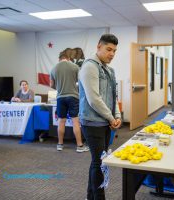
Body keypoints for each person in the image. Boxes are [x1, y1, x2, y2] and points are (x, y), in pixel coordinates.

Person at [79, 34, 122, 200]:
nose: (112, 54)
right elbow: (93, 98)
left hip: (104, 122)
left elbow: (113, 96)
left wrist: (116, 116)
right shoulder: (90, 66)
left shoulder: (109, 70)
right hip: (92, 122)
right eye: (108, 49)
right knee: (100, 162)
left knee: (98, 161)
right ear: (99, 47)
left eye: (114, 51)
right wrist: (111, 118)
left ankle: (90, 197)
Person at [50, 50, 88, 153]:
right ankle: (79, 146)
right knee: (75, 121)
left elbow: (51, 85)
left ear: (59, 59)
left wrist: (59, 87)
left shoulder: (53, 69)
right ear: (68, 58)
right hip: (73, 97)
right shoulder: (75, 67)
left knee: (61, 121)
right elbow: (79, 81)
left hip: (60, 97)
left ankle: (60, 144)